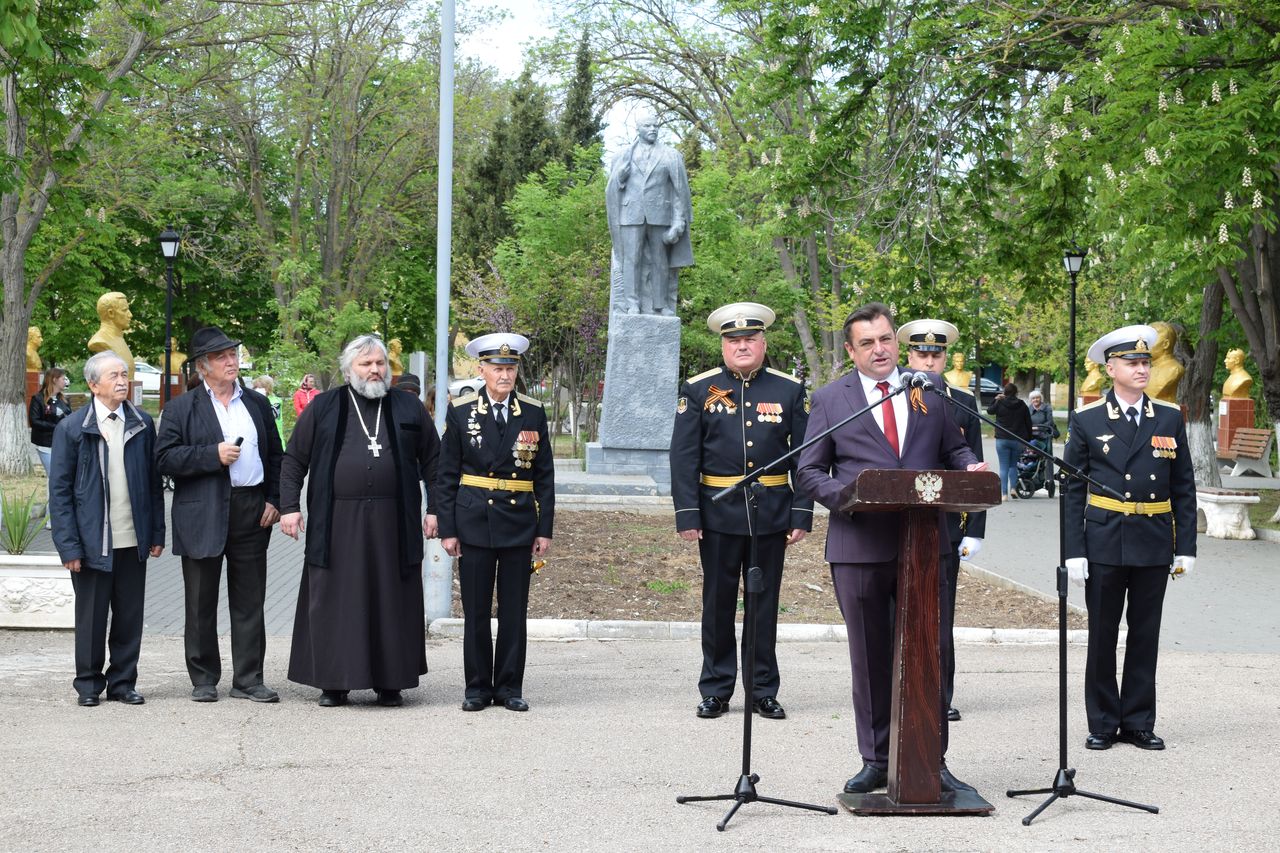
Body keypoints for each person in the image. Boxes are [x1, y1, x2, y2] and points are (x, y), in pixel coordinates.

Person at [795, 302, 987, 796]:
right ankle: (877, 759)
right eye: (867, 343)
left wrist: (970, 469)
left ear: (895, 343)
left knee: (932, 653)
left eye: (885, 339)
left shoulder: (928, 389)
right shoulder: (831, 399)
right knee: (871, 656)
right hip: (860, 545)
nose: (879, 350)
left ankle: (931, 758)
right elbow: (810, 471)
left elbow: (955, 449)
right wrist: (851, 497)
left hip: (927, 546)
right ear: (851, 350)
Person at [668, 302, 813, 721]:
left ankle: (763, 689)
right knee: (717, 603)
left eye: (750, 339)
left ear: (763, 343)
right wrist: (688, 513)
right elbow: (684, 456)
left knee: (763, 604)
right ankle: (715, 689)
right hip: (717, 514)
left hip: (771, 513)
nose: (743, 346)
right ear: (723, 345)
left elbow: (806, 457)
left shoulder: (788, 390)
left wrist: (801, 510)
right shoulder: (698, 389)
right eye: (734, 340)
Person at [280, 335, 440, 708]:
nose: (374, 370)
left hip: (393, 520)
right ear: (348, 368)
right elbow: (293, 461)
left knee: (391, 597)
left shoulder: (407, 406)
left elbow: (435, 462)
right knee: (338, 599)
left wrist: (436, 510)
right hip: (336, 520)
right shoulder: (324, 407)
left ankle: (391, 682)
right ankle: (334, 683)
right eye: (366, 364)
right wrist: (289, 507)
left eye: (380, 363)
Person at [1064, 324, 1196, 752]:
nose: (1142, 369)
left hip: (1154, 538)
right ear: (1111, 368)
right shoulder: (1087, 420)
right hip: (1104, 539)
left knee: (1145, 633)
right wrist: (1073, 550)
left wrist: (1186, 546)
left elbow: (1183, 486)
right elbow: (1071, 490)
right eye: (1133, 363)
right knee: (1102, 633)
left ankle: (1138, 720)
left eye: (1145, 362)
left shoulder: (1169, 417)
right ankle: (1103, 720)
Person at [156, 327, 284, 704]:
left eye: (233, 354)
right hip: (202, 511)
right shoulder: (181, 407)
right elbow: (164, 458)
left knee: (250, 599)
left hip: (251, 509)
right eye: (223, 357)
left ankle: (248, 679)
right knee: (200, 601)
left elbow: (277, 456)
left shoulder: (258, 405)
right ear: (203, 366)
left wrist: (275, 499)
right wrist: (211, 456)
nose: (232, 362)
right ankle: (203, 677)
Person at [435, 333, 554, 712]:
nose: (504, 375)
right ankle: (476, 688)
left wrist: (544, 529)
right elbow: (446, 474)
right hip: (474, 520)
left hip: (519, 521)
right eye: (497, 368)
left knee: (514, 611)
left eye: (510, 368)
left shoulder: (533, 412)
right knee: (476, 611)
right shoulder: (462, 411)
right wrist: (449, 529)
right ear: (482, 370)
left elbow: (545, 476)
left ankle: (508, 688)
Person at [49, 351, 165, 707]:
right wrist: (68, 547)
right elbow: (60, 493)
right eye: (114, 375)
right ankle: (87, 684)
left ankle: (123, 682)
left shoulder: (142, 423)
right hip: (90, 541)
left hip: (132, 539)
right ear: (93, 384)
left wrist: (157, 533)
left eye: (125, 374)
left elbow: (152, 484)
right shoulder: (72, 428)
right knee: (92, 619)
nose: (122, 381)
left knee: (129, 616)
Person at [897, 318, 986, 723]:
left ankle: (940, 695)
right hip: (897, 518)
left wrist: (976, 530)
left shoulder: (962, 401)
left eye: (936, 354)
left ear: (945, 357)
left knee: (940, 616)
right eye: (921, 354)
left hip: (945, 524)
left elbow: (974, 465)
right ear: (909, 356)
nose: (929, 361)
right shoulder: (894, 395)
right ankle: (899, 688)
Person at [604, 108, 693, 315]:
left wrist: (678, 222)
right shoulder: (622, 155)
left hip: (660, 215)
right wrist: (619, 178)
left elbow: (680, 191)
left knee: (660, 261)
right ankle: (632, 303)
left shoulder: (671, 155)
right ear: (638, 129)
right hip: (630, 215)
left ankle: (660, 305)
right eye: (647, 125)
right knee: (631, 259)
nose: (653, 129)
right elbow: (611, 190)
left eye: (656, 125)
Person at [986, 382, 1032, 500]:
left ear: (1004, 393)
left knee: (1003, 467)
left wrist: (995, 399)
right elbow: (1028, 422)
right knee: (1013, 466)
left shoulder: (1000, 403)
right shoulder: (1022, 405)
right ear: (1016, 393)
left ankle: (1004, 494)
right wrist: (1028, 438)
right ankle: (1013, 489)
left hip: (1002, 439)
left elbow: (990, 411)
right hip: (1017, 440)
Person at [87, 292, 136, 379]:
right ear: (111, 313)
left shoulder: (119, 339)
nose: (130, 315)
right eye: (124, 310)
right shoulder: (100, 341)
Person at [1027, 389, 1060, 497]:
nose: (1035, 400)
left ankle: (1049, 479)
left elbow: (1050, 421)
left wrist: (1039, 427)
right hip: (1032, 436)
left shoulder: (1047, 408)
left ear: (1041, 399)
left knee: (1048, 458)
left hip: (1045, 435)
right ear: (1031, 400)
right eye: (1033, 398)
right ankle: (1029, 475)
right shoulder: (1029, 409)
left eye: (1037, 398)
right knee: (1028, 455)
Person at [1145, 322, 1184, 405]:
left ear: (1165, 344)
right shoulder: (1148, 370)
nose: (1146, 345)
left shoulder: (1174, 369)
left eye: (1152, 340)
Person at [251, 375, 285, 442]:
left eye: (258, 387)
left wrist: (261, 400)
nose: (255, 389)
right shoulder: (254, 400)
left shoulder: (276, 401)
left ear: (266, 388)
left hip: (273, 439)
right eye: (255, 387)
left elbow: (270, 418)